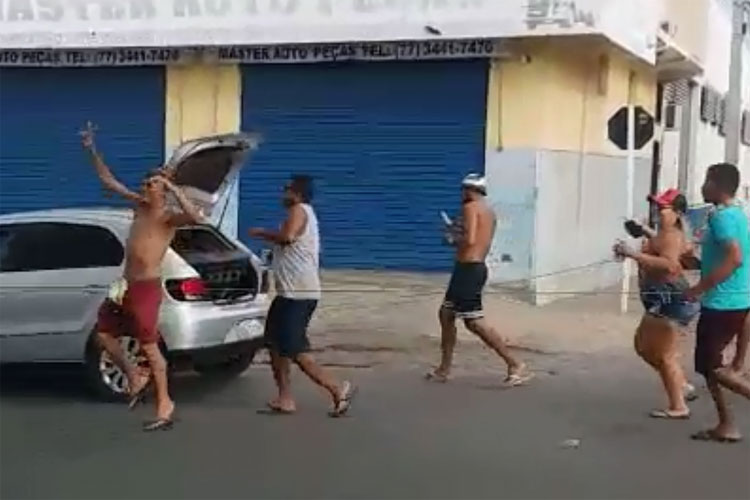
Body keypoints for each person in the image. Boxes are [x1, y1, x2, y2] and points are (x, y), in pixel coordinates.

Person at [81, 123, 205, 431]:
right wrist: (91, 149)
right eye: (146, 183)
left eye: (152, 184)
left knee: (149, 345)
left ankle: (165, 404)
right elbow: (108, 181)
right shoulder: (138, 207)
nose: (146, 187)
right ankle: (135, 376)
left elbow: (198, 217)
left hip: (147, 287)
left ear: (163, 189)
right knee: (103, 335)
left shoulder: (167, 218)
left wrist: (174, 187)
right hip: (123, 285)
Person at [249, 175, 356, 417]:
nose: (282, 193)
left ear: (297, 193)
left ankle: (338, 389)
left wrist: (261, 233)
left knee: (295, 350)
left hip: (300, 294)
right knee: (275, 346)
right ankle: (284, 398)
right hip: (288, 293)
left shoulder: (299, 210)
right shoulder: (298, 213)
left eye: (286, 189)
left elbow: (288, 238)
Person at [426, 174, 532, 386]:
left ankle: (515, 364)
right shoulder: (489, 211)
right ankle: (444, 369)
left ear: (471, 190)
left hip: (469, 269)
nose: (462, 193)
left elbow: (470, 239)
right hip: (472, 268)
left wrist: (451, 237)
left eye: (464, 189)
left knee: (474, 322)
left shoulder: (470, 208)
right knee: (446, 314)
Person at [614, 189, 699, 419]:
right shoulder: (665, 232)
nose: (658, 212)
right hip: (659, 297)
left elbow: (670, 265)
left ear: (678, 212)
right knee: (644, 346)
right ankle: (680, 385)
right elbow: (662, 247)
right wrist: (644, 231)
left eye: (663, 209)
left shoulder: (672, 235)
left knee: (663, 354)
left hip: (669, 298)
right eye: (657, 207)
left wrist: (633, 254)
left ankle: (679, 404)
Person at [684, 163, 750, 443]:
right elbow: (726, 257)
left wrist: (700, 287)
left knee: (711, 366)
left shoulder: (721, 218)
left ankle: (729, 421)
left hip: (723, 302)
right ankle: (726, 424)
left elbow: (735, 258)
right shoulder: (737, 214)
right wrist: (695, 264)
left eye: (706, 181)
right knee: (710, 366)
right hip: (735, 297)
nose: (702, 186)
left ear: (716, 185)